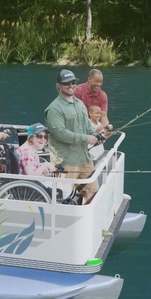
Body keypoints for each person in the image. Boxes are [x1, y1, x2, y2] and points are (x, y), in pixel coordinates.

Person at [44, 69, 100, 204]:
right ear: (58, 85)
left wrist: (96, 136)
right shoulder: (54, 109)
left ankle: (83, 215)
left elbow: (87, 125)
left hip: (84, 157)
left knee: (92, 190)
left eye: (73, 82)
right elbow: (61, 133)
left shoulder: (80, 104)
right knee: (63, 195)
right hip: (66, 160)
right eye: (66, 83)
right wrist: (85, 138)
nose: (71, 85)